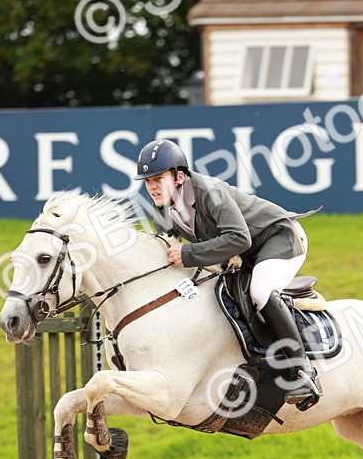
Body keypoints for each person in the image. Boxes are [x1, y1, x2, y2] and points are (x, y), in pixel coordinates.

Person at [134, 139, 322, 409]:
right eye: (147, 181)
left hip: (280, 238)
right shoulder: (163, 206)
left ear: (179, 176)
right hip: (246, 253)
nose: (152, 187)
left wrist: (187, 254)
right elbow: (167, 246)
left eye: (157, 179)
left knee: (260, 291)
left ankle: (302, 370)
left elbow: (239, 239)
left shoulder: (210, 193)